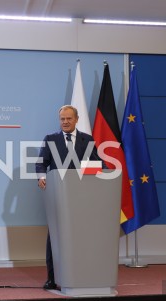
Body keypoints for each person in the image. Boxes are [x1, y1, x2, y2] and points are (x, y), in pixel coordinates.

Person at [35, 105, 104, 290]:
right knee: (55, 237)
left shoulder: (87, 140)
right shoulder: (51, 139)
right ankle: (52, 278)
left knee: (82, 237)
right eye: (62, 119)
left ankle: (82, 275)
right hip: (59, 197)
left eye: (68, 119)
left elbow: (99, 163)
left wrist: (97, 170)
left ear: (76, 119)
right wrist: (41, 177)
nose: (65, 122)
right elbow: (41, 163)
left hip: (83, 198)